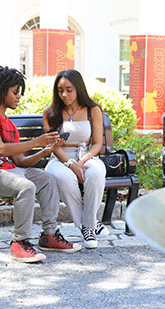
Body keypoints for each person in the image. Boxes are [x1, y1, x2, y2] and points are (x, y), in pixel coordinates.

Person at [0, 65, 82, 263]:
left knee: (48, 179)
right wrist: (37, 141)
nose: (19, 96)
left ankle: (50, 235)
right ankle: (19, 242)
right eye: (15, 92)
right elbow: (1, 149)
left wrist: (46, 150)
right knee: (26, 187)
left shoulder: (10, 125)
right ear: (2, 92)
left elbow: (20, 161)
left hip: (7, 172)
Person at [42, 69, 109, 249]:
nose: (64, 94)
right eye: (60, 90)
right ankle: (88, 227)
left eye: (69, 90)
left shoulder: (92, 110)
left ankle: (89, 223)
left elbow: (97, 144)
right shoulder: (50, 112)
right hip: (59, 157)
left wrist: (80, 163)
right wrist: (71, 165)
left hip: (85, 155)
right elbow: (53, 146)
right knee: (64, 177)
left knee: (96, 173)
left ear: (78, 88)